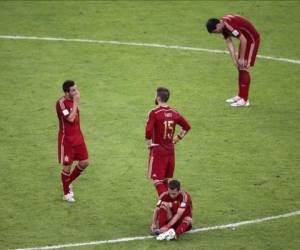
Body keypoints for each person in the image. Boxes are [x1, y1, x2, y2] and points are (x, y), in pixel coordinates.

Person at [145, 87, 191, 196]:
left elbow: (148, 131)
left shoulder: (154, 113)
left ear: (158, 98)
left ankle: (165, 205)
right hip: (170, 150)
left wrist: (149, 144)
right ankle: (172, 205)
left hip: (158, 150)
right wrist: (177, 138)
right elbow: (187, 127)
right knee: (166, 180)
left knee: (157, 180)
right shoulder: (174, 112)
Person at [206, 15, 260, 107]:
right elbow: (229, 42)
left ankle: (245, 100)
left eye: (216, 31)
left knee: (244, 66)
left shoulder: (228, 26)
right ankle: (240, 96)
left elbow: (243, 39)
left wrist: (242, 58)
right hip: (245, 40)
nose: (217, 33)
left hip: (252, 40)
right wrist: (234, 59)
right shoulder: (223, 26)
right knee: (240, 67)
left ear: (218, 25)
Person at [56, 80, 89, 202]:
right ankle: (66, 194)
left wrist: (75, 103)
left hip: (78, 138)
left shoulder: (71, 101)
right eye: (73, 90)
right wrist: (76, 102)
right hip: (67, 140)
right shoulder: (61, 104)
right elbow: (70, 118)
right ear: (66, 92)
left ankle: (67, 182)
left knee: (84, 162)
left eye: (76, 89)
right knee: (67, 167)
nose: (76, 92)